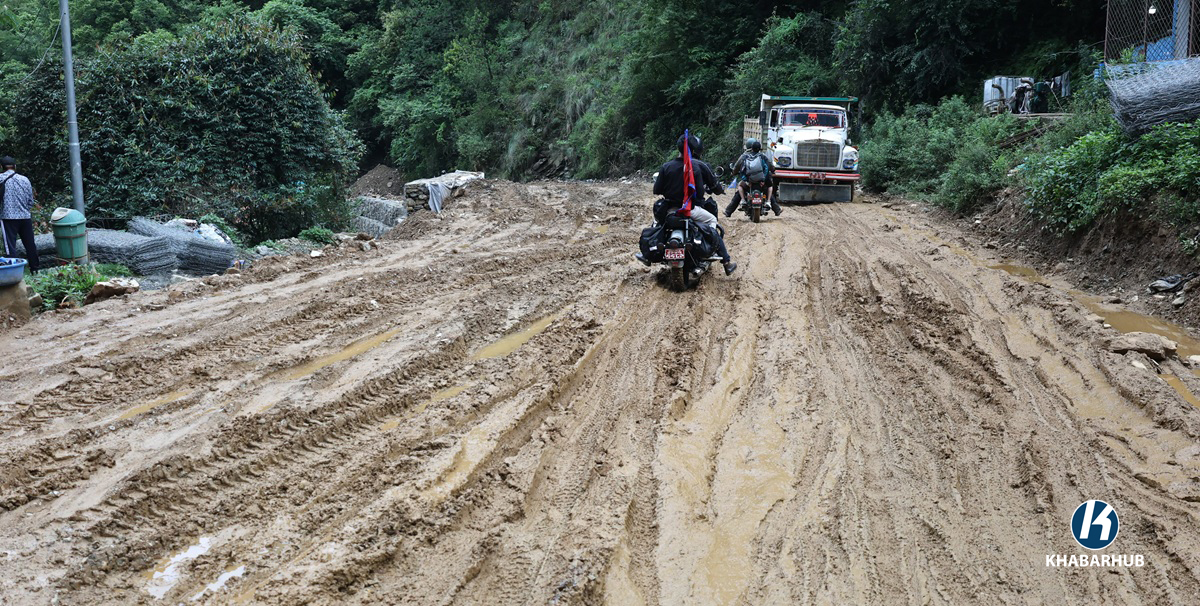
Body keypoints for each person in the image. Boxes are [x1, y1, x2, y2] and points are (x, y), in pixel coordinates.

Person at [648, 133, 737, 275]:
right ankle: (723, 259)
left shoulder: (666, 166)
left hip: (671, 210)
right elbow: (706, 190)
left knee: (656, 223)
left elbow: (657, 190)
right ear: (694, 150)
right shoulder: (697, 166)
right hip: (691, 209)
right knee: (712, 220)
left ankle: (647, 254)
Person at [0, 156, 38, 272]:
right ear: (15, 166)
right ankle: (35, 269)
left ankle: (14, 272)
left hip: (8, 218)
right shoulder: (25, 179)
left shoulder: (0, 179)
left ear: (1, 167)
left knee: (10, 246)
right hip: (25, 217)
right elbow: (30, 201)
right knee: (30, 244)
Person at [725, 138, 781, 217]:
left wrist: (734, 173)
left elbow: (737, 166)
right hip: (761, 181)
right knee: (767, 191)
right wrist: (771, 171)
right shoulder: (762, 156)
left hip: (749, 181)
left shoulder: (744, 156)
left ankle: (729, 211)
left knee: (738, 192)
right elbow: (769, 165)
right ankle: (777, 210)